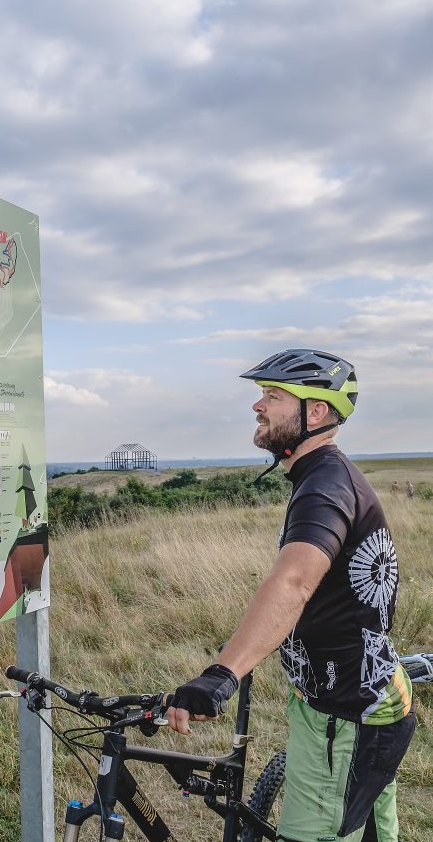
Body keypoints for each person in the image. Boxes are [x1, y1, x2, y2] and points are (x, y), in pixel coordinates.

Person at [166, 349, 414, 842]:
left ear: (315, 413)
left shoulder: (325, 486)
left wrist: (223, 673)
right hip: (356, 701)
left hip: (345, 717)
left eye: (273, 396)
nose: (258, 406)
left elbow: (294, 582)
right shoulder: (323, 477)